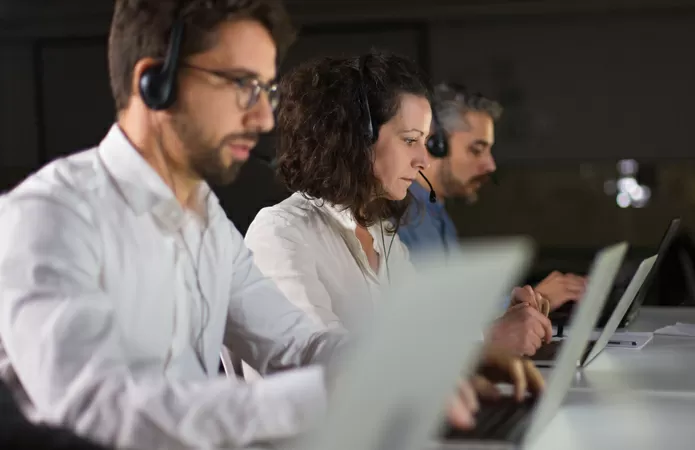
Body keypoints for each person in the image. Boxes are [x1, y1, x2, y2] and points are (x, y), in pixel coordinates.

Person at [0, 1, 542, 447]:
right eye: (242, 85)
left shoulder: (207, 222)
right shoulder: (52, 215)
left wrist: (424, 367)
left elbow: (296, 345)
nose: (262, 119)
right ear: (154, 84)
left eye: (267, 91)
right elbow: (96, 410)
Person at [243, 52, 553, 357]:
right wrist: (488, 343)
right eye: (409, 140)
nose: (422, 160)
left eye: (425, 141)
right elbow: (320, 359)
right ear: (357, 138)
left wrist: (496, 328)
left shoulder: (382, 233)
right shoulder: (281, 233)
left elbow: (425, 333)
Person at [397, 83, 587, 313]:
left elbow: (458, 306)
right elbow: (431, 319)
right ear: (434, 144)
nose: (490, 165)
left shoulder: (438, 214)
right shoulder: (400, 218)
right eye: (477, 150)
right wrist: (535, 299)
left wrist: (527, 301)